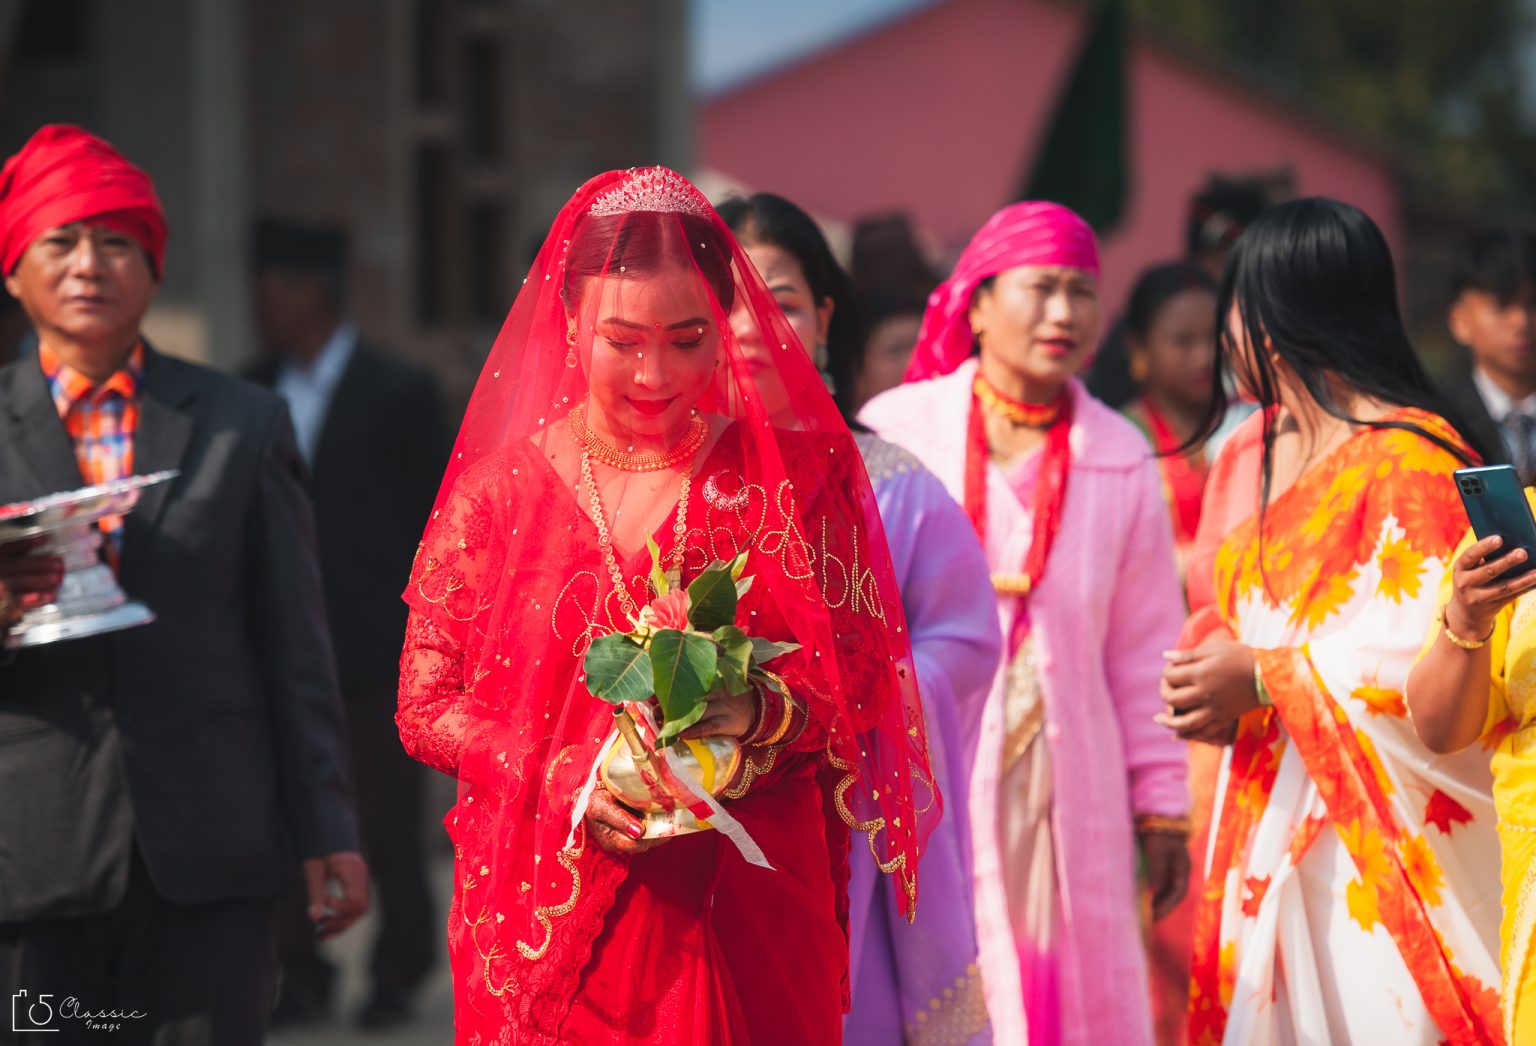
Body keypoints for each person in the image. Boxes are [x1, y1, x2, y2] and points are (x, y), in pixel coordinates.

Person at [395, 167, 937, 1043]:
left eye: (688, 340)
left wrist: (758, 710)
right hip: (557, 906)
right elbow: (425, 706)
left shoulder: (800, 483)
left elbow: (863, 678)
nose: (654, 375)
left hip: (749, 900)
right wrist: (564, 775)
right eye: (622, 341)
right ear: (570, 322)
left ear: (724, 325)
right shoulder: (497, 498)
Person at [0, 124, 366, 1044]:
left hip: (212, 855)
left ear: (155, 268)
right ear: (14, 270)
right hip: (29, 859)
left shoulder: (241, 423)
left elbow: (294, 647)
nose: (90, 265)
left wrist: (328, 827)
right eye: (61, 241)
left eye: (116, 242)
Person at [1163, 198, 1503, 1044]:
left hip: (1371, 850)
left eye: (1235, 308)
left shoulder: (1412, 458)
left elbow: (1431, 667)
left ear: (1277, 317)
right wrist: (1214, 671)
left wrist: (1261, 675)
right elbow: (1231, 609)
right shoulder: (1256, 447)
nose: (1227, 336)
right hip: (1267, 816)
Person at [861, 201, 1190, 1046]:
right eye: (1041, 288)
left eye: (1082, 292)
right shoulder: (898, 433)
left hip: (1066, 780)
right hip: (923, 767)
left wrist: (1162, 804)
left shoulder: (1119, 452)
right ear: (976, 303)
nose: (1063, 313)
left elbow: (1144, 651)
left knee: (1065, 990)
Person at [720, 191, 999, 1045]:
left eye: (782, 301)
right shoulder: (666, 485)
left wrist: (872, 688)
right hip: (705, 824)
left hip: (853, 831)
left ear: (824, 318)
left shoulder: (890, 483)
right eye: (726, 302)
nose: (752, 328)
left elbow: (966, 641)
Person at [246, 218, 448, 1030]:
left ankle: (399, 967)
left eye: (278, 286)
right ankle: (299, 965)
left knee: (386, 818)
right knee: (283, 812)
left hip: (374, 646)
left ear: (316, 290)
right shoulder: (251, 389)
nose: (266, 303)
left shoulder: (397, 390)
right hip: (276, 647)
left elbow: (437, 521)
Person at [1088, 176, 1270, 409]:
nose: (1204, 357)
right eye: (1222, 263)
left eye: (1215, 338)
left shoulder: (1266, 331)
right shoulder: (1152, 316)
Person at [1121, 261, 1219, 574]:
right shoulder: (1122, 437)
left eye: (1214, 337)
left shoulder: (1247, 422)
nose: (1204, 356)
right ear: (1139, 348)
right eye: (1183, 341)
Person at [1440, 229, 1536, 482]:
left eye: (1533, 304)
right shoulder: (1441, 422)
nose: (1521, 321)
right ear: (1460, 321)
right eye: (1502, 305)